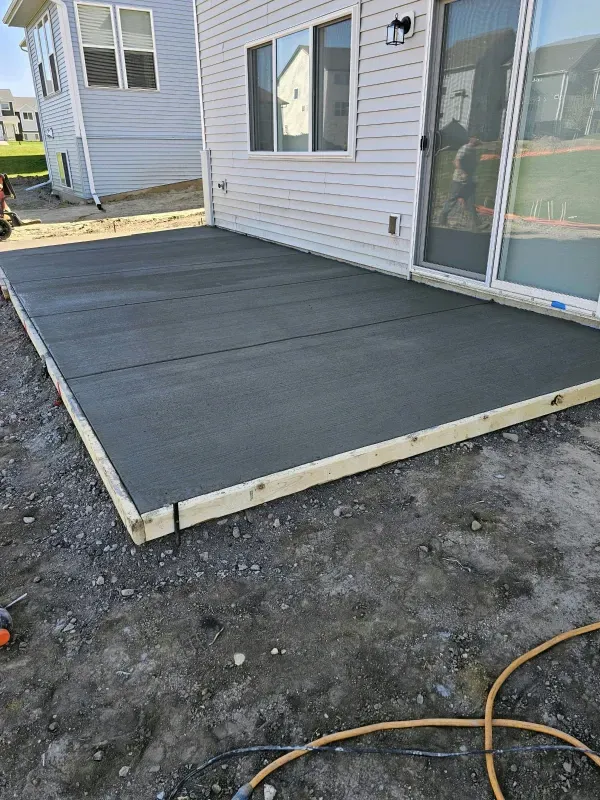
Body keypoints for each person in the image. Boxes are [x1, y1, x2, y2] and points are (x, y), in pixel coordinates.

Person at [439, 136, 481, 230]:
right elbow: (456, 161)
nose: (478, 141)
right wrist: (462, 173)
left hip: (469, 180)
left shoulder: (473, 151)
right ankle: (443, 218)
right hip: (459, 180)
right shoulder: (464, 148)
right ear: (472, 139)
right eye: (477, 139)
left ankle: (476, 223)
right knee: (453, 199)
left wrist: (473, 179)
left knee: (471, 201)